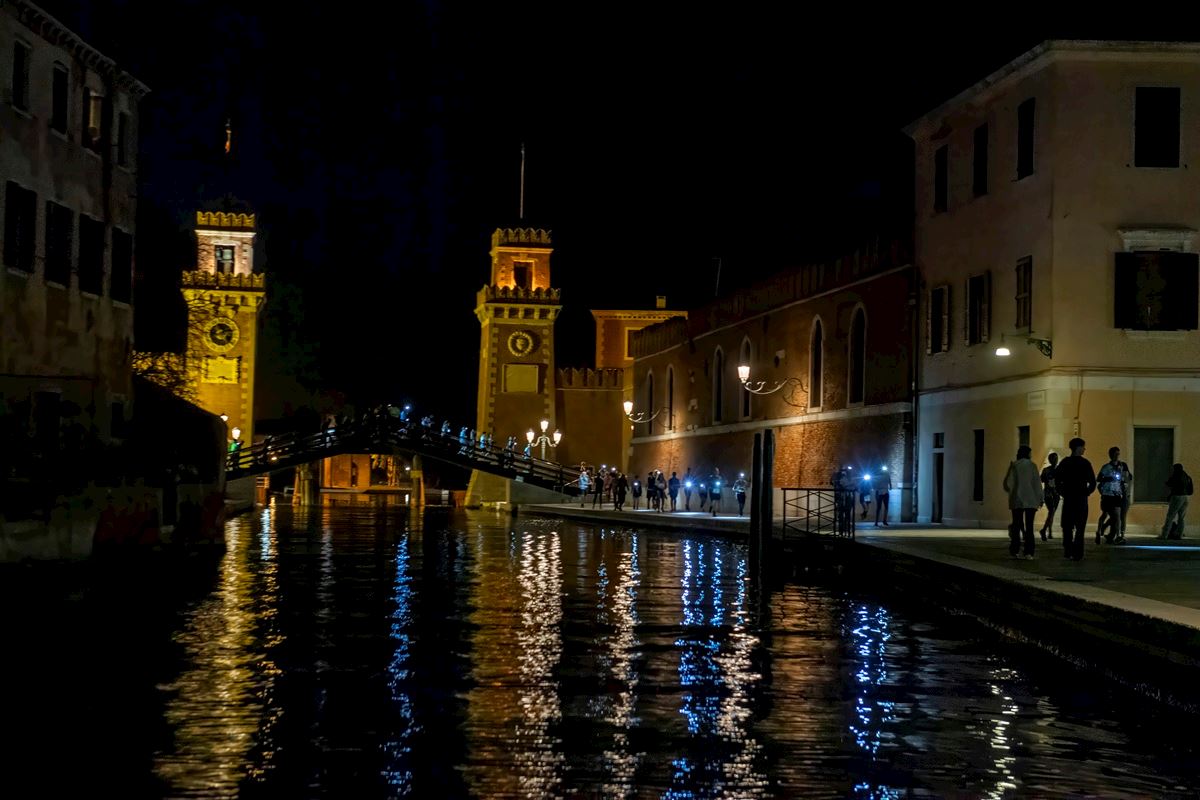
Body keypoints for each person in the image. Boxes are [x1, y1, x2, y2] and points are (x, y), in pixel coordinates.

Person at [1055, 437, 1096, 561]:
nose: (1084, 449)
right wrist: (1086, 492)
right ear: (1078, 448)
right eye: (1083, 447)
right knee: (1080, 527)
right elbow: (1093, 482)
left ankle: (1068, 550)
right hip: (1081, 499)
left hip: (1069, 498)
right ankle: (1078, 552)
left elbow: (1057, 481)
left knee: (1067, 526)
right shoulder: (1085, 463)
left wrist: (1063, 492)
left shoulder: (1065, 463)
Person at [1003, 445, 1044, 559]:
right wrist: (1040, 498)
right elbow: (1037, 484)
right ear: (1028, 454)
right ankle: (1029, 552)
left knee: (1016, 525)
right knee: (1029, 526)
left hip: (1017, 500)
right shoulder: (1032, 466)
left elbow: (1008, 484)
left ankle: (1014, 550)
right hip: (1031, 499)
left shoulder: (1014, 465)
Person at [1096, 446, 1131, 544]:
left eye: (1118, 454)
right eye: (1115, 454)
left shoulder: (1121, 467)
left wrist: (1124, 484)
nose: (1117, 456)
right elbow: (1098, 479)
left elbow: (1127, 478)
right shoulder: (1106, 467)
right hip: (1107, 494)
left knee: (1117, 516)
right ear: (1110, 455)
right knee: (1104, 514)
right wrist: (1107, 479)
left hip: (1117, 494)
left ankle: (1117, 536)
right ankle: (1099, 532)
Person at [1161, 463, 1193, 539]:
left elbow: (1170, 483)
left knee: (1170, 516)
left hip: (1177, 497)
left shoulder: (1177, 475)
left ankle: (1164, 535)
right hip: (1185, 497)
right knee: (1181, 517)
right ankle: (1179, 534)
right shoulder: (1187, 477)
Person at [1038, 452, 1060, 541]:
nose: (1055, 460)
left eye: (1056, 458)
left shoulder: (1059, 469)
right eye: (1053, 458)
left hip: (1056, 494)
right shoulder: (1046, 470)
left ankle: (1049, 531)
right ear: (1050, 460)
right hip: (1048, 493)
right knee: (1052, 511)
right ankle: (1044, 530)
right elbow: (1042, 480)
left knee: (1052, 513)